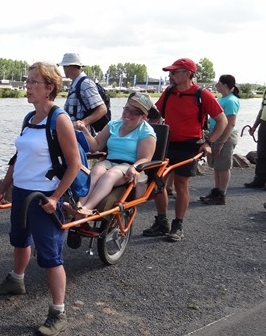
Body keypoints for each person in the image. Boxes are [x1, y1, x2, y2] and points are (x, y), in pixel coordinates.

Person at [0, 62, 81, 336]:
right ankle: (17, 280)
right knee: (19, 239)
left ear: (50, 88)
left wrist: (56, 197)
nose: (27, 86)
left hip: (43, 197)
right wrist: (4, 187)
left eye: (33, 82)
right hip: (21, 192)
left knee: (51, 256)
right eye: (27, 81)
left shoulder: (59, 119)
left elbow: (74, 163)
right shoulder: (29, 118)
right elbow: (19, 158)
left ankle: (58, 312)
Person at [142, 58, 227, 242]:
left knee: (181, 184)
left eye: (174, 72)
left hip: (189, 144)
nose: (170, 75)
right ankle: (162, 221)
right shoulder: (170, 91)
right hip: (166, 143)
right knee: (157, 183)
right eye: (170, 72)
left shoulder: (202, 94)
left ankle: (178, 224)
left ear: (187, 74)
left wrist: (208, 143)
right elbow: (155, 116)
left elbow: (222, 121)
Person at [73, 92, 157, 215]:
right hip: (110, 162)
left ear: (144, 116)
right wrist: (84, 130)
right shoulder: (113, 125)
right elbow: (96, 145)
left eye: (136, 112)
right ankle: (79, 207)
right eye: (127, 109)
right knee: (96, 171)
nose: (129, 114)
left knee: (110, 175)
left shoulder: (146, 132)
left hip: (130, 166)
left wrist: (134, 167)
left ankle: (87, 209)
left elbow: (145, 158)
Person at [200, 74, 240, 205]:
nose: (216, 85)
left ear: (224, 85)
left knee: (223, 166)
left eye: (218, 83)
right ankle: (216, 190)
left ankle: (221, 194)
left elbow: (231, 123)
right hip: (217, 134)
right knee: (217, 166)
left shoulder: (231, 101)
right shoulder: (222, 98)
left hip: (225, 136)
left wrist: (222, 142)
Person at [60, 52, 108, 133]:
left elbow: (102, 109)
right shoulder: (75, 84)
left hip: (84, 135)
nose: (63, 69)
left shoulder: (86, 83)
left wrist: (83, 123)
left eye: (64, 66)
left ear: (69, 66)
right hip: (75, 133)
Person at [245, 89, 266, 189]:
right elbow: (262, 110)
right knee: (261, 153)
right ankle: (259, 179)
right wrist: (254, 126)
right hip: (264, 124)